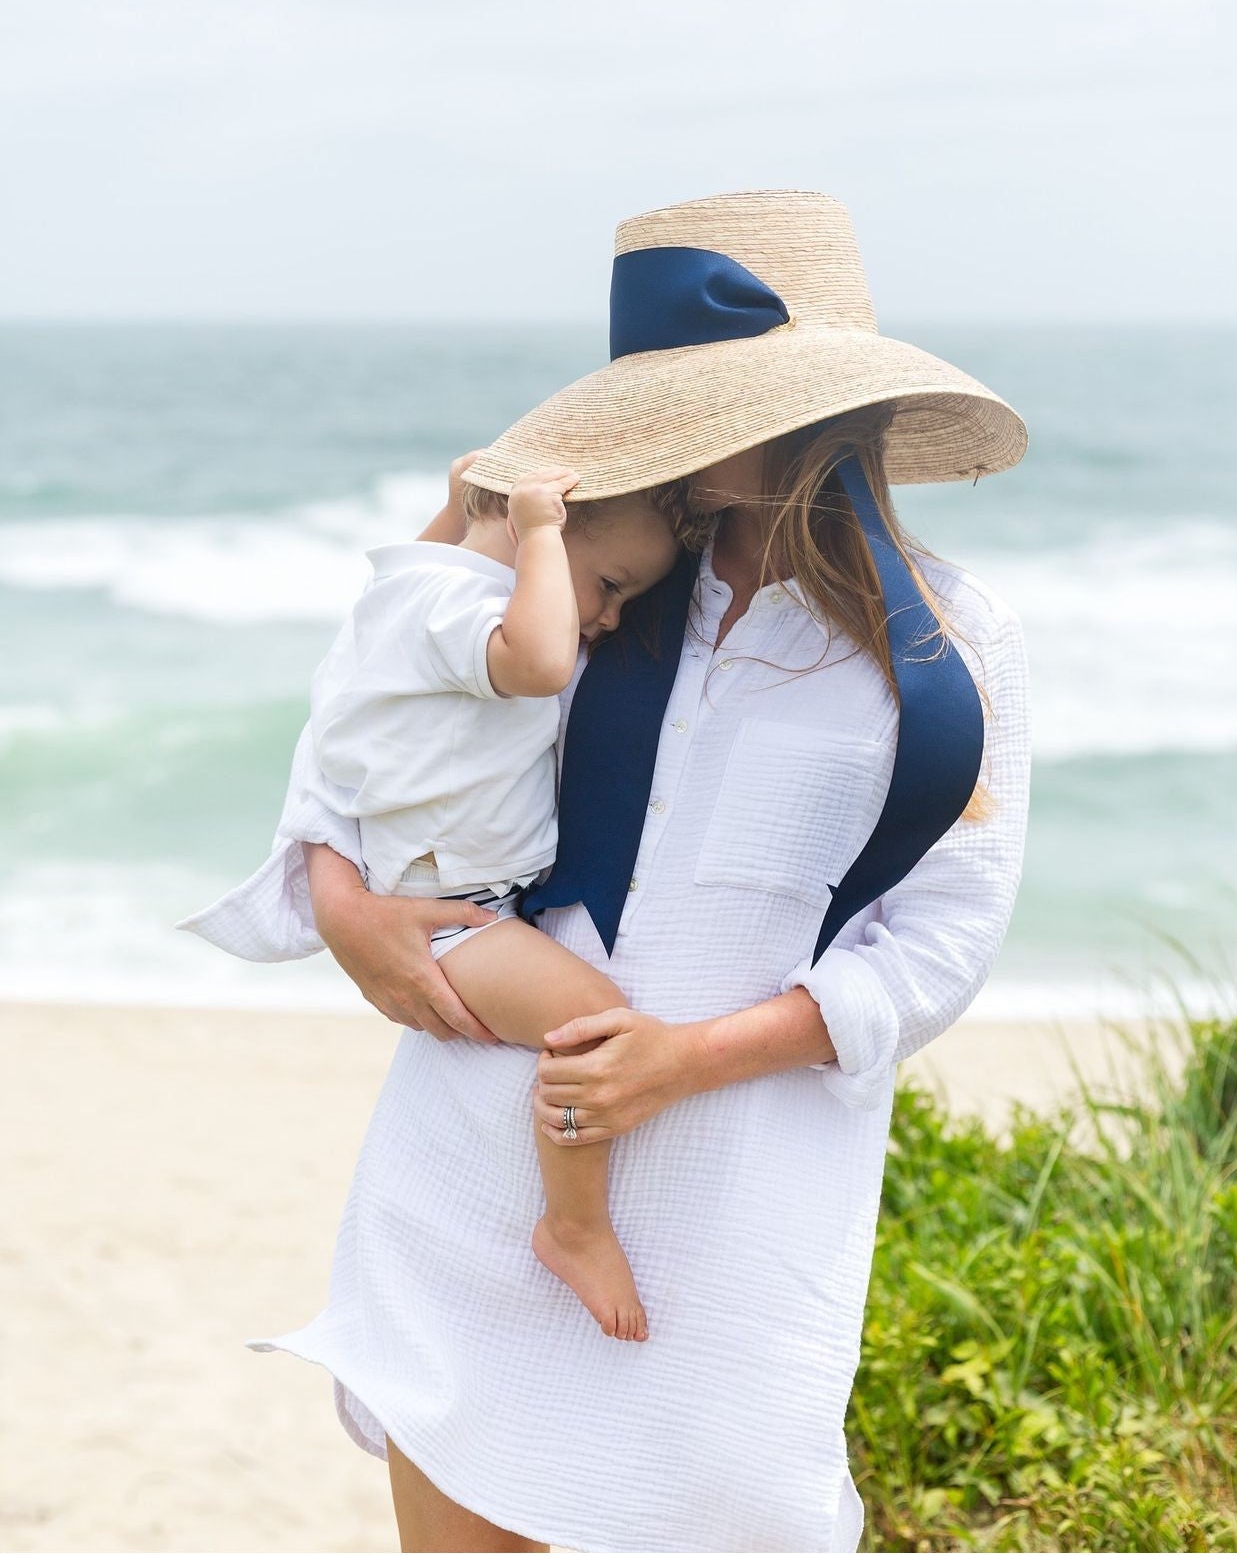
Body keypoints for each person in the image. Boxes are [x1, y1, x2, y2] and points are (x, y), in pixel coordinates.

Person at [180, 189, 1032, 1553]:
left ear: (818, 409)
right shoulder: (588, 573)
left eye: (712, 394)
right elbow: (374, 721)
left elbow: (937, 945)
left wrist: (679, 1059)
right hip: (471, 1166)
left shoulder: (946, 644)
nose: (677, 431)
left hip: (739, 1197)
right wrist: (343, 905)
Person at [181, 465, 694, 1342]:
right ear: (547, 531)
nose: (607, 618)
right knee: (594, 1021)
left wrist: (467, 505)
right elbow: (539, 662)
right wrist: (534, 533)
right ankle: (573, 1225)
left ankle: (573, 1221)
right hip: (451, 913)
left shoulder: (419, 584)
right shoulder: (458, 606)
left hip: (461, 891)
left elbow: (419, 562)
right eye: (608, 587)